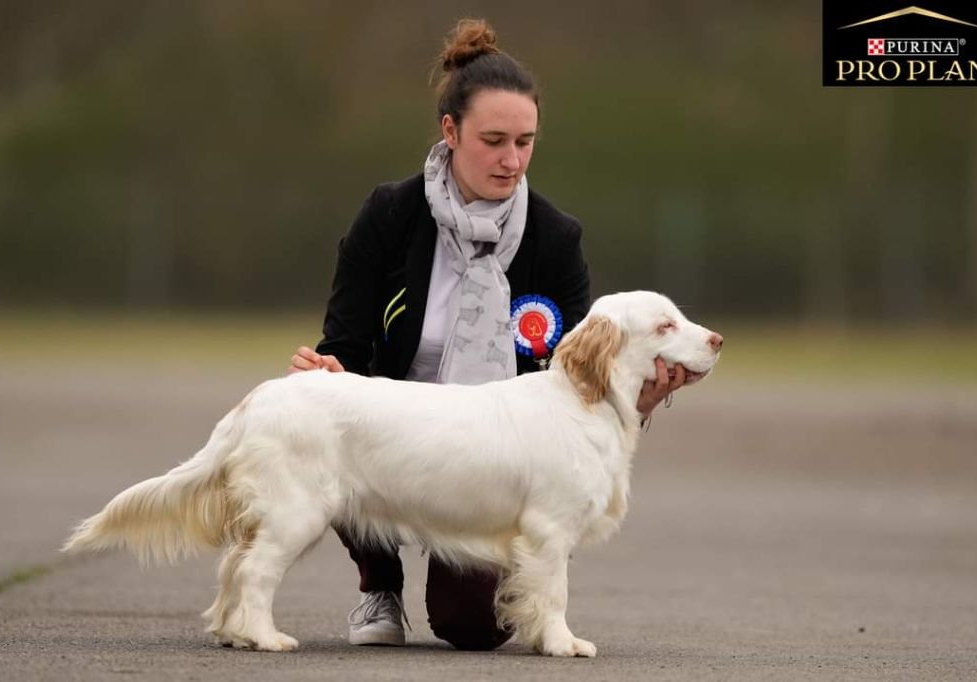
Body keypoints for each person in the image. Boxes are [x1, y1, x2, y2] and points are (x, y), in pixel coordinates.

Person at [288, 18, 684, 652]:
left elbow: (577, 382)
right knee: (329, 413)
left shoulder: (556, 239)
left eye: (525, 142)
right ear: (450, 132)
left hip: (493, 464)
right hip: (395, 439)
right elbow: (347, 343)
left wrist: (639, 400)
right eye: (494, 141)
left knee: (473, 627)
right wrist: (330, 370)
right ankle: (378, 584)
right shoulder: (389, 215)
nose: (512, 160)